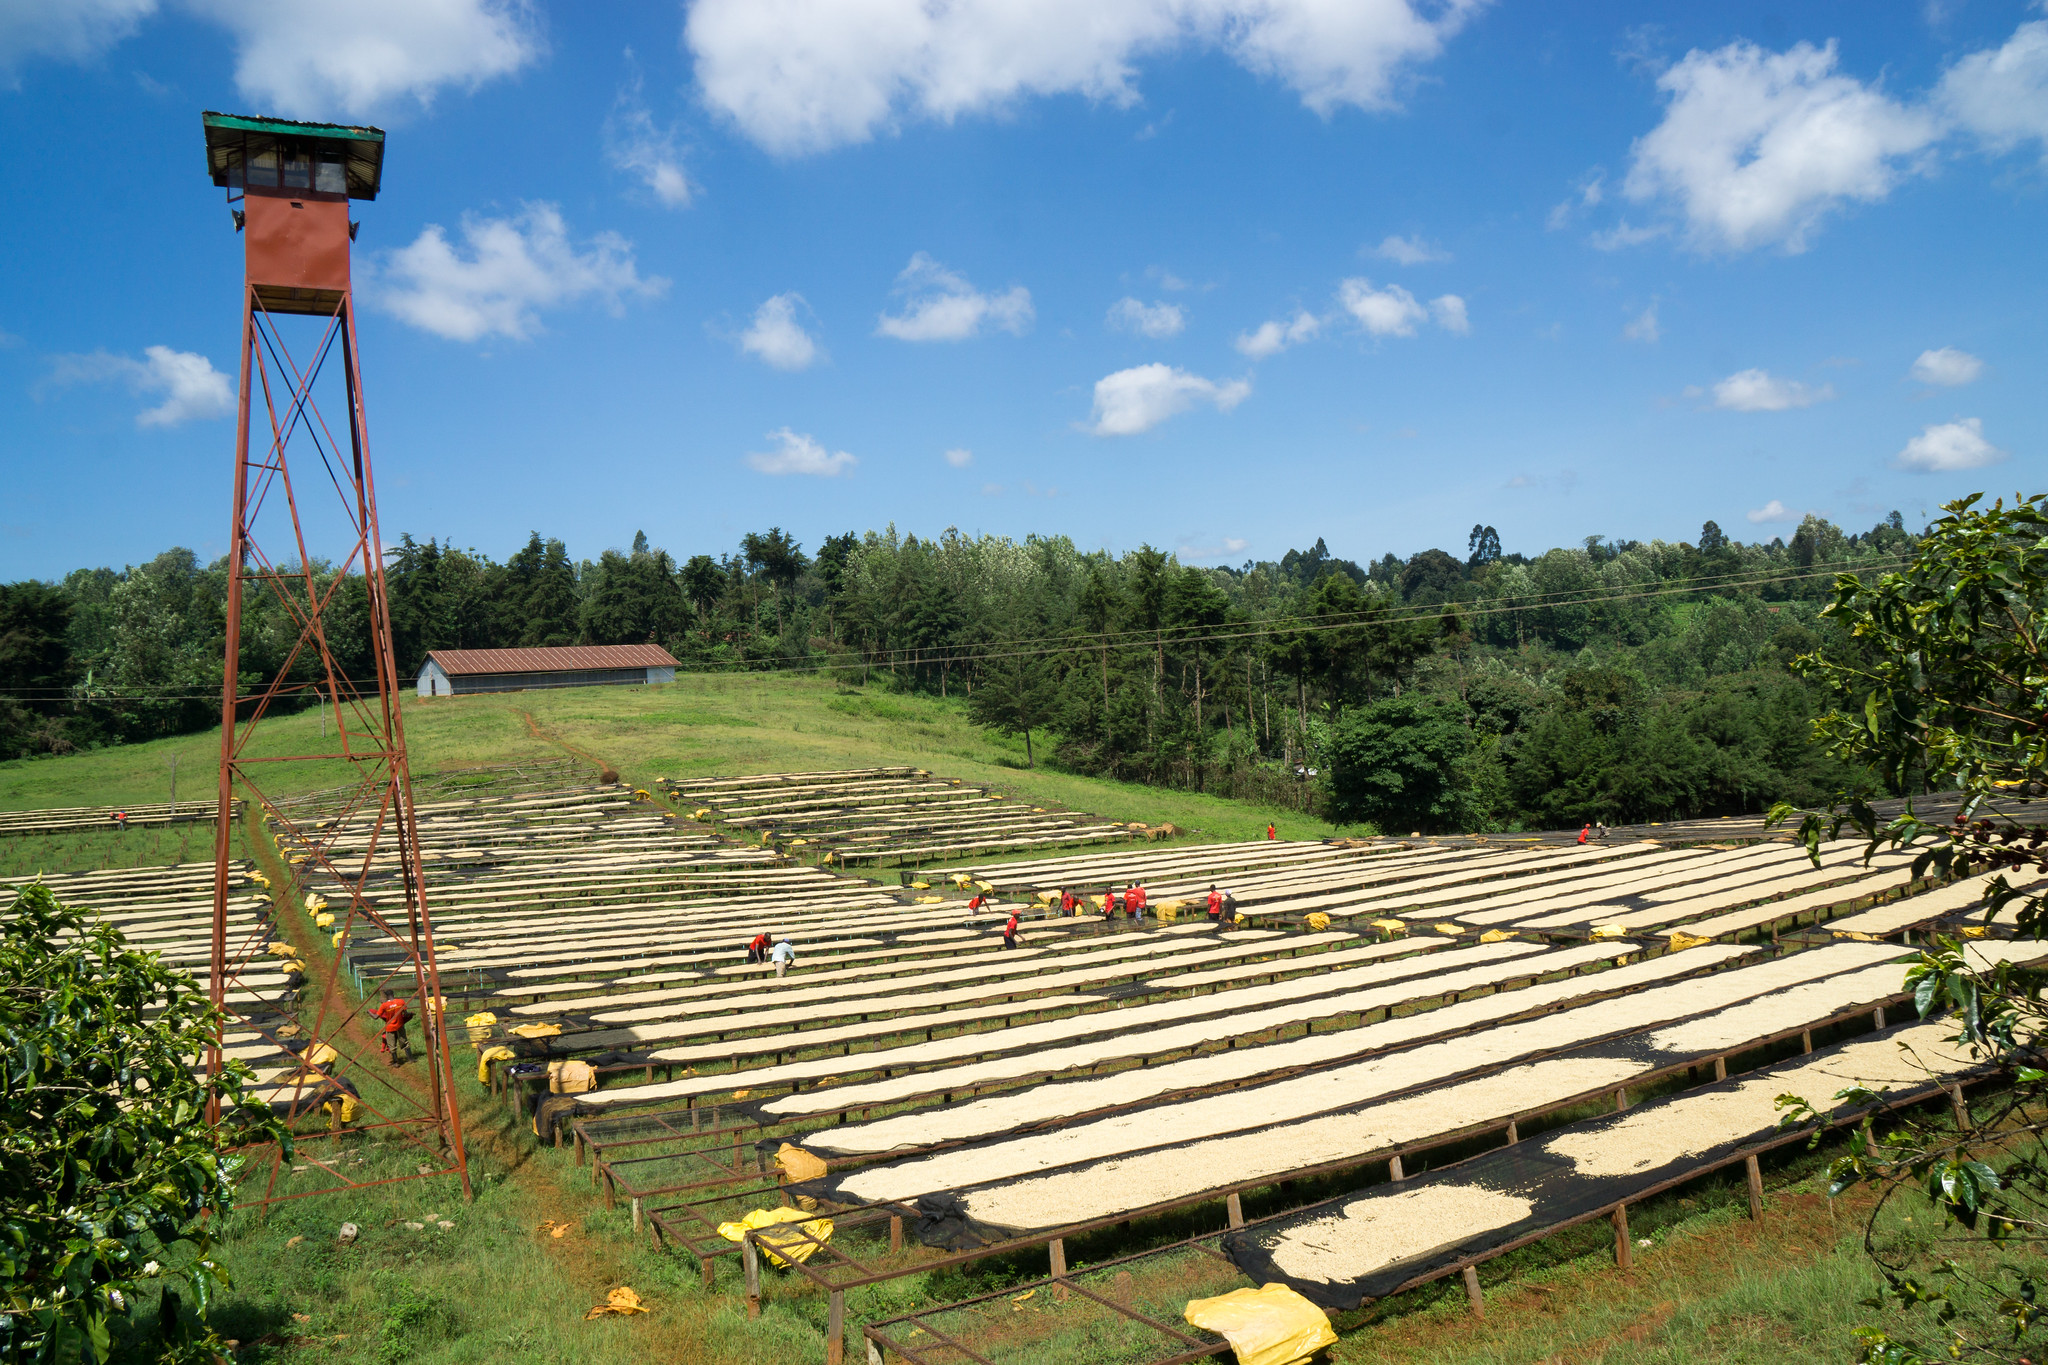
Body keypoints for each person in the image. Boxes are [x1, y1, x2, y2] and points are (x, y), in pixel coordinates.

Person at [371, 990, 411, 1065]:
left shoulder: (384, 1005)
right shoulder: (401, 1002)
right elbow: (405, 1014)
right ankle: (410, 1059)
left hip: (390, 1027)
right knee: (405, 1042)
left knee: (391, 1045)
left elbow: (375, 1017)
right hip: (400, 1025)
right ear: (393, 994)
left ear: (386, 996)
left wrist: (369, 1012)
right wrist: (411, 1014)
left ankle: (396, 1062)